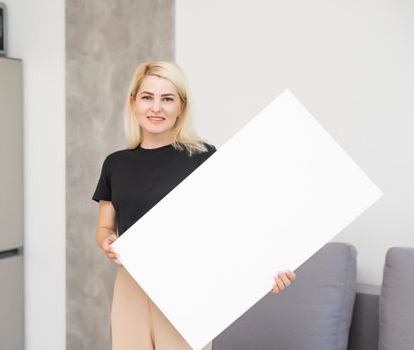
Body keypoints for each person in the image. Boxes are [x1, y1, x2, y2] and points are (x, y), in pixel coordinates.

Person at [92, 61, 296, 350]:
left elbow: (238, 222)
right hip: (130, 283)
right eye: (148, 97)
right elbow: (104, 226)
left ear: (181, 106)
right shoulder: (115, 164)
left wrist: (268, 270)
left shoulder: (202, 157)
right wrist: (106, 241)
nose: (156, 107)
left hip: (187, 287)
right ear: (133, 102)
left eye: (167, 98)